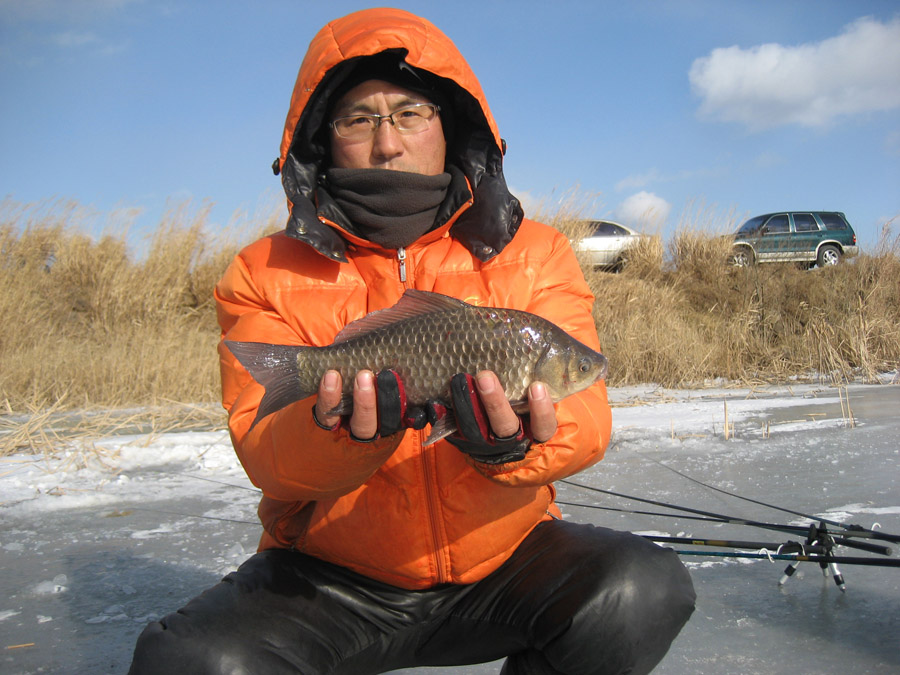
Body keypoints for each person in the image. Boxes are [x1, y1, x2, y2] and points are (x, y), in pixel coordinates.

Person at [129, 8, 694, 674]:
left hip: (503, 557)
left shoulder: (537, 251)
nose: (387, 143)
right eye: (358, 119)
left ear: (449, 124)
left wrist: (513, 445)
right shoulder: (262, 270)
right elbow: (266, 454)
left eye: (409, 114)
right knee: (188, 661)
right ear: (320, 139)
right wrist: (340, 430)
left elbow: (588, 419)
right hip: (329, 578)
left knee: (643, 587)